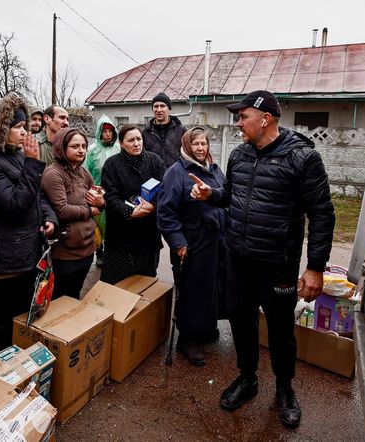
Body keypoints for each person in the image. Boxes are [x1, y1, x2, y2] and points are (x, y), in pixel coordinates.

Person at [190, 90, 335, 427]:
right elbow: (233, 196)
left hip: (277, 262)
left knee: (282, 330)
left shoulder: (303, 159)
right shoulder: (239, 156)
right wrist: (212, 194)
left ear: (265, 118)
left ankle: (285, 388)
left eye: (243, 117)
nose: (238, 123)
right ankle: (247, 378)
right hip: (239, 259)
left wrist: (315, 267)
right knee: (241, 321)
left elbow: (323, 214)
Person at [0, 93, 57, 359]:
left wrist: (48, 217)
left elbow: (36, 196)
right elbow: (16, 204)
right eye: (18, 127)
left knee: (21, 316)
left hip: (25, 251)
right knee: (1, 321)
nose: (25, 132)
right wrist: (33, 163)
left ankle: (14, 368)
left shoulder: (14, 155)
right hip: (4, 259)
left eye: (24, 126)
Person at [157, 126, 226, 366]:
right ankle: (187, 339)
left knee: (212, 288)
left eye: (204, 144)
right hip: (192, 242)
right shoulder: (176, 173)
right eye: (196, 144)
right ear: (187, 145)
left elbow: (224, 197)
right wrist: (178, 242)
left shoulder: (214, 169)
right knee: (191, 290)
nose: (200, 148)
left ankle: (205, 328)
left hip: (216, 241)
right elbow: (166, 212)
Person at [41, 127, 104, 299]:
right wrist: (90, 210)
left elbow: (99, 200)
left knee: (74, 295)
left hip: (87, 248)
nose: (81, 150)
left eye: (84, 145)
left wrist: (101, 201)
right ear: (62, 148)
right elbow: (62, 210)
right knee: (59, 298)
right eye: (75, 146)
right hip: (65, 251)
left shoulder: (83, 173)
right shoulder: (53, 174)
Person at [100, 124, 165, 284]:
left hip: (148, 237)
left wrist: (154, 206)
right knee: (117, 287)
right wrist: (130, 212)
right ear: (121, 143)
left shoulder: (154, 161)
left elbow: (165, 189)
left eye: (139, 139)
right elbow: (110, 197)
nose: (136, 143)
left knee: (145, 286)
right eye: (131, 140)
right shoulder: (112, 164)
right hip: (121, 239)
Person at [85, 115, 120, 267]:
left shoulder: (119, 148)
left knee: (113, 223)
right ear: (99, 132)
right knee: (98, 225)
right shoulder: (92, 150)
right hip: (97, 192)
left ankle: (113, 251)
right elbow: (86, 171)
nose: (107, 134)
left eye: (110, 131)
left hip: (116, 192)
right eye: (104, 131)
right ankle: (99, 252)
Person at [142, 92, 186, 168]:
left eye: (162, 106)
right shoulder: (145, 133)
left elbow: (188, 155)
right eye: (156, 106)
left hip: (176, 176)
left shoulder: (181, 131)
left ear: (169, 108)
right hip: (154, 177)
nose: (159, 110)